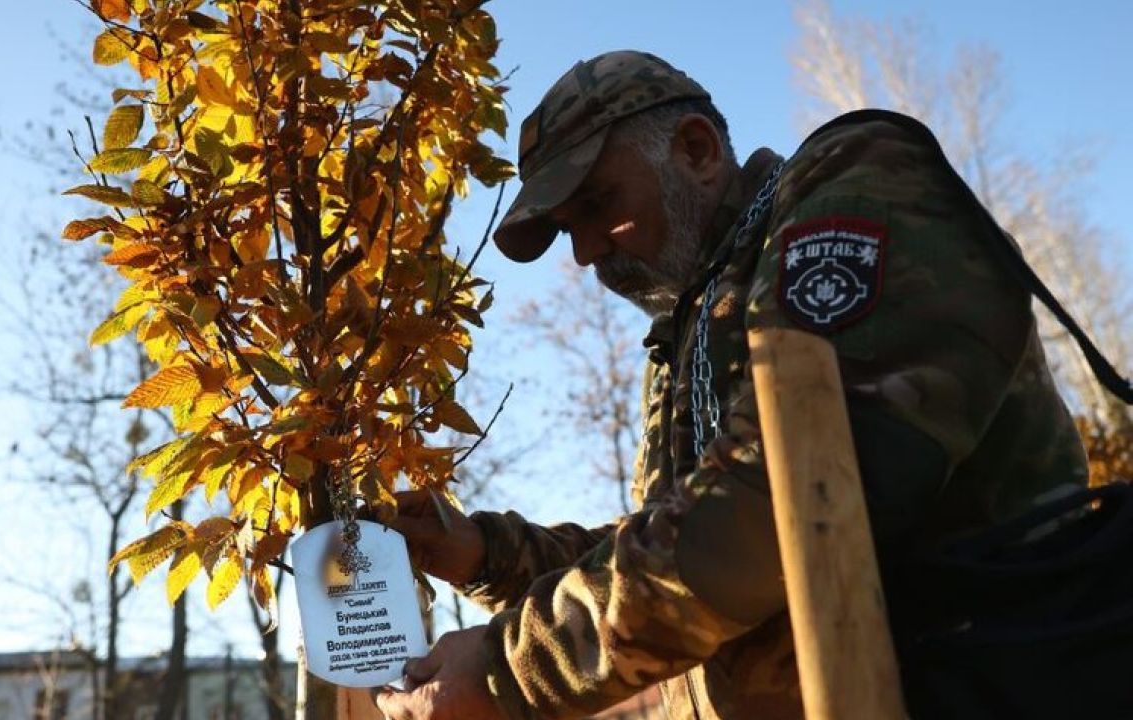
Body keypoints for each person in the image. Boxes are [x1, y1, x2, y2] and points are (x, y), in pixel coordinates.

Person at [372, 50, 1095, 720]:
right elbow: (678, 550)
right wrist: (486, 553)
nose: (587, 252)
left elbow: (779, 509)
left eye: (595, 204)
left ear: (697, 149)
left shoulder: (861, 184)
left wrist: (510, 670)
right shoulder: (696, 323)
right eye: (568, 230)